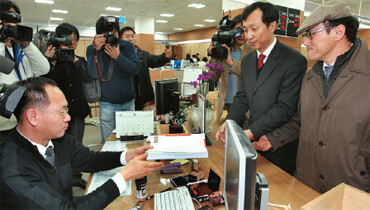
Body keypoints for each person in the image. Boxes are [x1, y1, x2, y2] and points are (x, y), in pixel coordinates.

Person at [253, 0, 369, 193]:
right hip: (307, 185)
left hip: (351, 190)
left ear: (338, 32)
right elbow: (301, 121)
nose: (306, 42)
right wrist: (274, 138)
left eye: (311, 34)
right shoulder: (310, 79)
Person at [0, 77, 164, 209]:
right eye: (61, 112)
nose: (68, 118)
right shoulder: (13, 170)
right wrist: (125, 176)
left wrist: (126, 156)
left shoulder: (58, 140)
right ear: (33, 117)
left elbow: (91, 161)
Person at [215, 2, 307, 176]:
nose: (249, 35)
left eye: (254, 29)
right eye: (245, 29)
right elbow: (242, 97)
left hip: (277, 146)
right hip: (253, 144)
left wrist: (249, 133)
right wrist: (230, 122)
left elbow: (285, 108)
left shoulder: (294, 60)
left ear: (272, 26)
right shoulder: (249, 60)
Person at [43, 23, 91, 189]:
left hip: (77, 111)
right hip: (56, 113)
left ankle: (76, 178)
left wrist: (74, 60)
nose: (72, 42)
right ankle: (59, 181)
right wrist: (49, 61)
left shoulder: (80, 61)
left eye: (75, 39)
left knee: (76, 146)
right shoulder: (53, 61)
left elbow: (87, 78)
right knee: (56, 148)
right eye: (68, 39)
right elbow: (45, 81)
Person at [0, 0, 49, 142]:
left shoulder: (20, 48)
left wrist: (27, 45)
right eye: (8, 19)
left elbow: (43, 68)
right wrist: (1, 39)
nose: (13, 24)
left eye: (16, 18)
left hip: (23, 115)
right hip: (4, 121)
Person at [86, 17, 140, 143]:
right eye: (107, 34)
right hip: (107, 104)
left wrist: (118, 56)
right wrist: (96, 51)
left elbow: (136, 69)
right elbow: (93, 74)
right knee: (109, 142)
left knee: (129, 141)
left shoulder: (127, 46)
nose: (111, 37)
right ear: (98, 35)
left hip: (128, 102)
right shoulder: (92, 49)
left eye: (114, 33)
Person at [208, 14, 253, 123]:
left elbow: (251, 73)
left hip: (244, 104)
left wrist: (231, 62)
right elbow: (213, 77)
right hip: (227, 101)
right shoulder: (224, 49)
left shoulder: (252, 50)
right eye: (237, 31)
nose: (241, 35)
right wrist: (214, 58)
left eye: (245, 30)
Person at [120, 26, 172, 110]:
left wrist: (164, 57)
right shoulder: (118, 55)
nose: (130, 39)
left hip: (141, 95)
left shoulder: (142, 54)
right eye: (127, 36)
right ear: (120, 39)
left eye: (132, 36)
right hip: (125, 96)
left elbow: (155, 60)